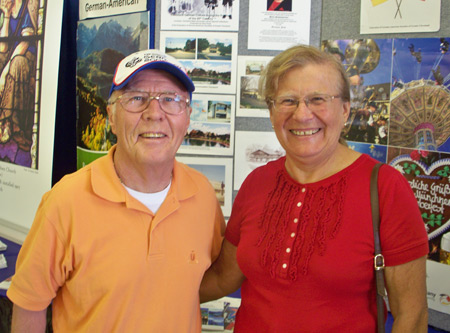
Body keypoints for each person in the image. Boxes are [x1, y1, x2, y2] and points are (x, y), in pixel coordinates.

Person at [200, 45, 429, 332]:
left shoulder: (385, 187)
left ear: (345, 109)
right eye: (287, 101)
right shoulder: (257, 183)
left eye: (317, 99)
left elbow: (412, 316)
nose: (302, 114)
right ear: (271, 112)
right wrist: (144, 291)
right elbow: (223, 277)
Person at [8, 49, 225, 332]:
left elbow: (200, 280)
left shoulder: (203, 196)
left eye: (170, 100)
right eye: (136, 99)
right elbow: (29, 304)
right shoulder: (64, 203)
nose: (154, 114)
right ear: (111, 116)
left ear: (186, 119)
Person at [0, 0, 38, 167]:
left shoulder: (28, 6)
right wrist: (6, 15)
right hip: (10, 56)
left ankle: (9, 123)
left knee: (17, 64)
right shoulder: (5, 10)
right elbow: (2, 48)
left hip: (26, 58)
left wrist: (5, 72)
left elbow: (25, 43)